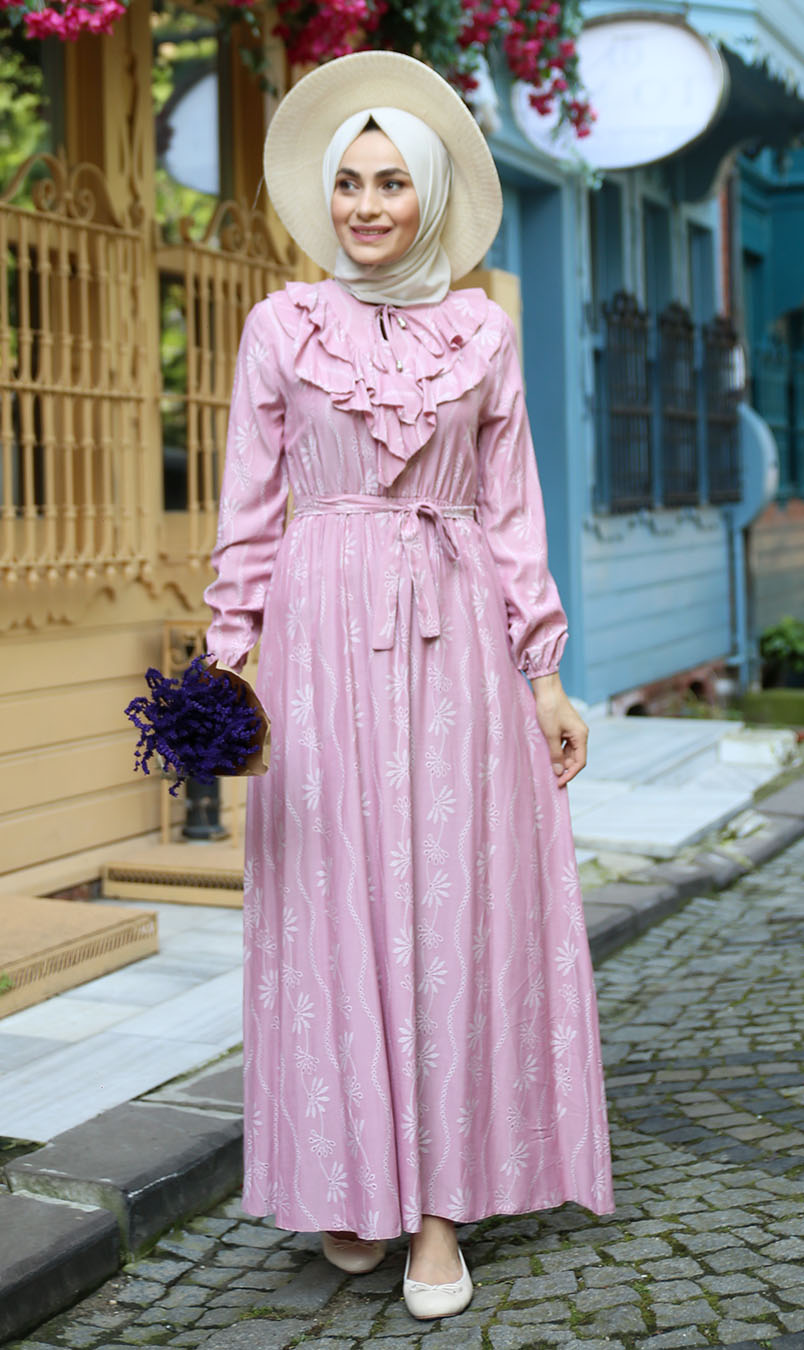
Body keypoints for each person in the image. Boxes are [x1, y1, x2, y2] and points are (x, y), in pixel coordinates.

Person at [204, 49, 614, 1321]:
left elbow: (512, 512)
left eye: (391, 182)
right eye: (349, 183)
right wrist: (231, 663)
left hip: (455, 646)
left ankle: (438, 1210)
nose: (368, 205)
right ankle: (351, 1176)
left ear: (430, 196)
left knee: (448, 909)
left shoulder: (482, 333)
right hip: (321, 638)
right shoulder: (282, 327)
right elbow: (248, 512)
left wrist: (545, 674)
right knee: (334, 904)